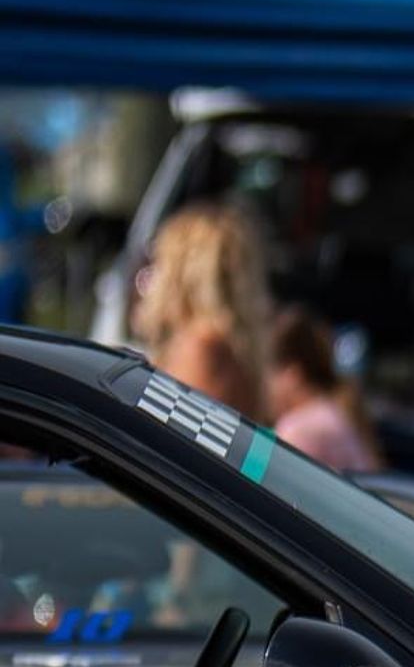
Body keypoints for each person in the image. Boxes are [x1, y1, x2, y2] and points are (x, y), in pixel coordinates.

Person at [131, 202, 275, 417]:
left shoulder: (203, 347)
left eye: (160, 262)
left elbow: (174, 432)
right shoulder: (230, 343)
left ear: (182, 273)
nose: (153, 274)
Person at [265, 306, 379, 473]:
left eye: (270, 374)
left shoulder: (300, 430)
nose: (267, 388)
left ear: (292, 374)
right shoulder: (334, 412)